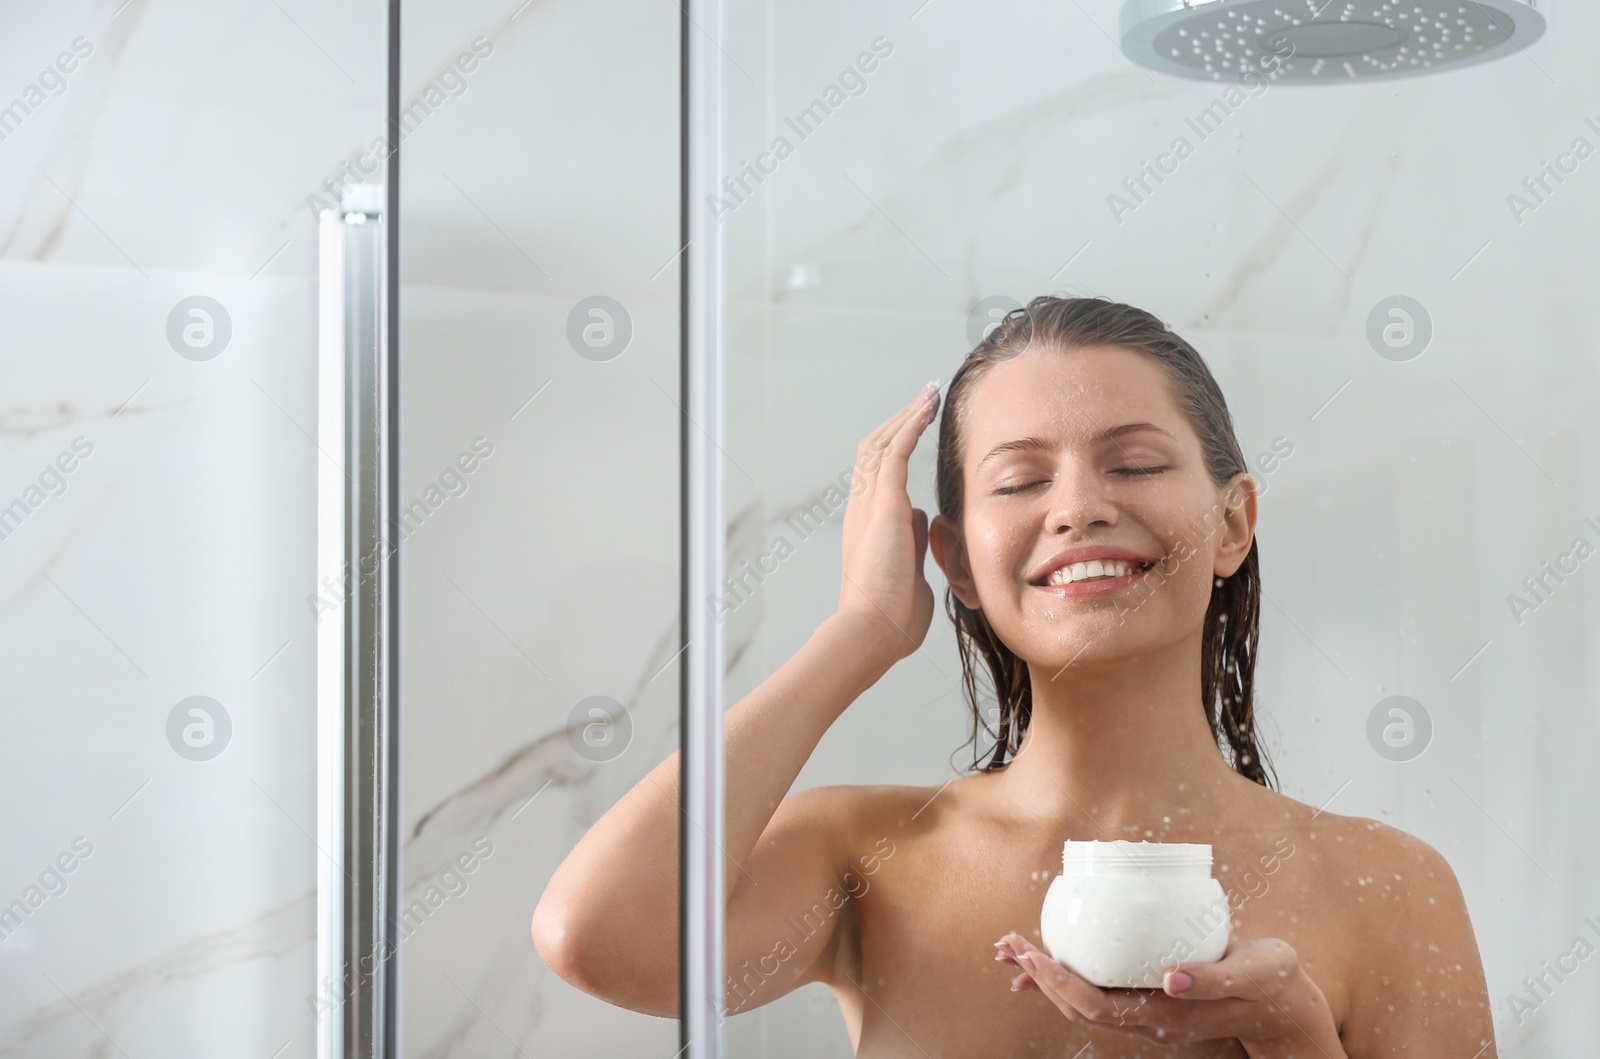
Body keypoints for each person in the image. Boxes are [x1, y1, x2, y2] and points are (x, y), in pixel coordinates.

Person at [532, 295, 1496, 1057]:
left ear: (1234, 523)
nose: (1078, 507)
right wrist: (860, 632)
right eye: (1020, 480)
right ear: (954, 560)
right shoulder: (870, 858)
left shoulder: (1391, 887)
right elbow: (599, 937)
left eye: (1134, 463)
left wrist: (1293, 1042)